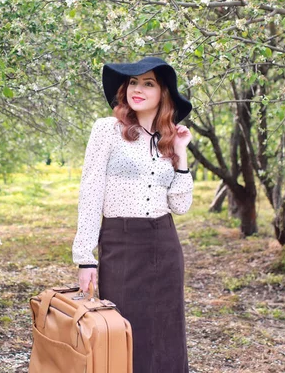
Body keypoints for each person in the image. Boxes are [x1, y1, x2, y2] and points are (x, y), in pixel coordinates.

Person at [72, 56, 194, 373]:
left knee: (166, 336)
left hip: (164, 245)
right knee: (121, 333)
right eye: (133, 83)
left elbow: (180, 206)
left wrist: (181, 156)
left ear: (163, 93)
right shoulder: (108, 131)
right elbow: (91, 190)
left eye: (148, 83)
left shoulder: (170, 139)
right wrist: (85, 256)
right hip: (120, 243)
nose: (137, 89)